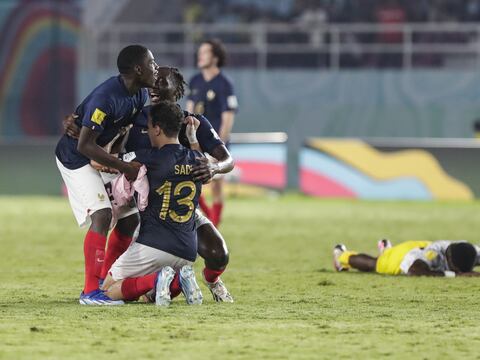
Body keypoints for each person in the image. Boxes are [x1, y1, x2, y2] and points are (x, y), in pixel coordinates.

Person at [63, 67, 235, 302]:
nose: (154, 85)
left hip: (178, 208)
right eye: (153, 80)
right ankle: (106, 280)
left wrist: (214, 167)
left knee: (217, 253)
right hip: (145, 205)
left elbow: (228, 160)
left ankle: (212, 281)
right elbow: (98, 129)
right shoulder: (133, 117)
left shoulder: (192, 122)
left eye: (163, 82)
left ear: (177, 89)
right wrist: (76, 123)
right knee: (127, 221)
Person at [55, 44, 158, 305]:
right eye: (152, 63)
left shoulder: (138, 94)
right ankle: (90, 292)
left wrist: (116, 160)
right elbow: (84, 145)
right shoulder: (106, 97)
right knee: (101, 215)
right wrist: (122, 167)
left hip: (101, 156)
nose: (155, 67)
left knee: (129, 218)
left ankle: (103, 278)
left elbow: (120, 130)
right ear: (138, 69)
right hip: (75, 158)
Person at [101, 101, 204, 306]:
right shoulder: (197, 158)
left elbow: (100, 161)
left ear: (157, 129)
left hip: (154, 245)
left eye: (148, 127)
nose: (146, 132)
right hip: (187, 251)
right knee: (148, 297)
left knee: (106, 290)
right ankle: (178, 282)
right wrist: (193, 139)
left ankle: (157, 278)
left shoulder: (148, 157)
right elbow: (199, 156)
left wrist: (117, 137)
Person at [186, 39, 238, 227]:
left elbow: (228, 118)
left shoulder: (225, 84)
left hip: (215, 142)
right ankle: (208, 220)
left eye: (205, 52)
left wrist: (219, 145)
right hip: (194, 142)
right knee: (191, 181)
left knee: (216, 185)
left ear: (215, 57)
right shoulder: (195, 81)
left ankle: (213, 227)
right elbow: (189, 111)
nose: (200, 55)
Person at [333, 239, 479, 277]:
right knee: (376, 264)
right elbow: (414, 272)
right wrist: (455, 275)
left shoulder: (468, 250)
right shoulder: (431, 256)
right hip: (404, 258)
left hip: (418, 245)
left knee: (386, 256)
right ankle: (342, 256)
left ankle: (387, 249)